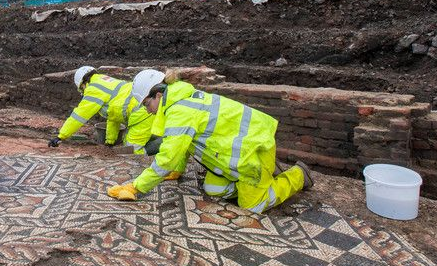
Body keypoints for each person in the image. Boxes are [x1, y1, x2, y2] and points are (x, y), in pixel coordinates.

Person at [106, 69, 313, 213]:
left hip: (253, 151)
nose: (146, 110)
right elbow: (183, 145)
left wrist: (136, 187)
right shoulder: (180, 100)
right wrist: (177, 170)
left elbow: (167, 157)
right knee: (213, 189)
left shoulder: (180, 111)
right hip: (234, 156)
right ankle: (261, 176)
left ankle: (297, 176)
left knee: (253, 206)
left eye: (146, 104)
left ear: (158, 95)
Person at [48, 66, 163, 158]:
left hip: (143, 110)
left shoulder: (93, 89)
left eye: (81, 90)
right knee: (129, 145)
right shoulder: (105, 81)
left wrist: (61, 136)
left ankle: (160, 149)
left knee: (131, 152)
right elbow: (113, 116)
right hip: (145, 107)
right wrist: (110, 141)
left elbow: (78, 116)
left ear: (82, 84)